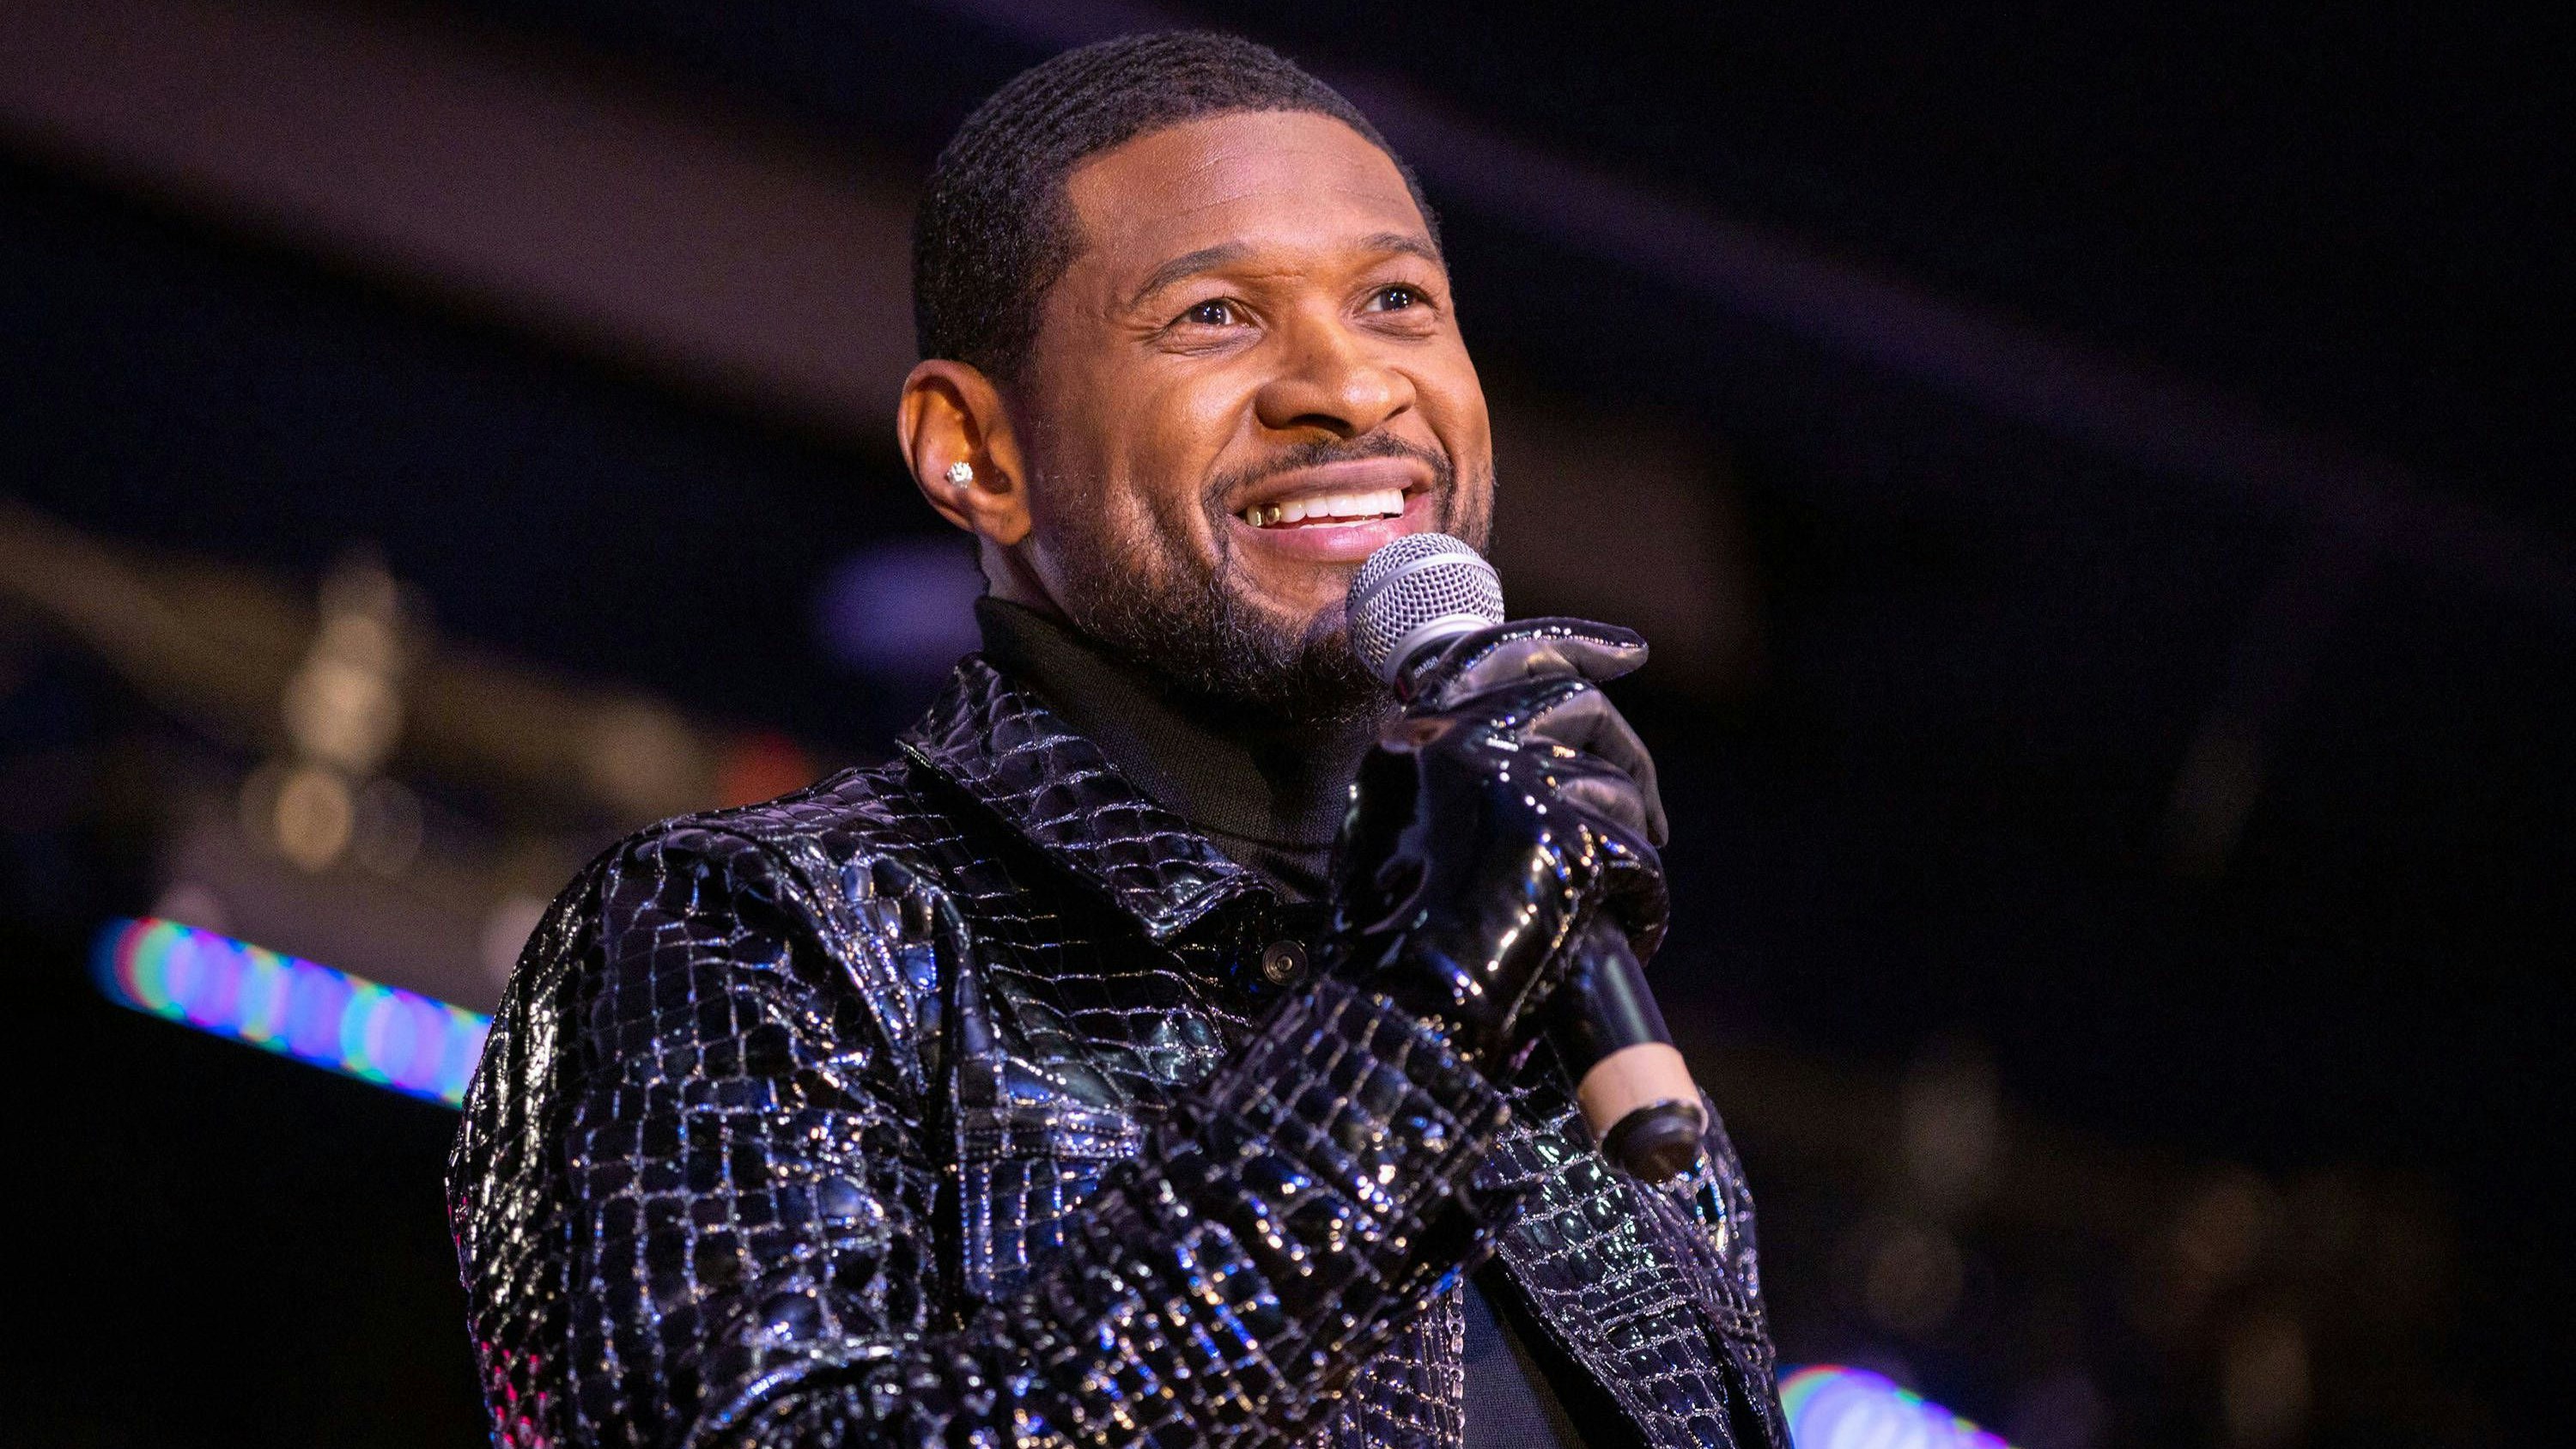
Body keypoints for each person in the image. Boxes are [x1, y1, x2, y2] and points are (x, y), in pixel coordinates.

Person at [449, 32, 1786, 1449]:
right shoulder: (751, 932)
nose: (1349, 386)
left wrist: (1454, 1001)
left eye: (1397, 300)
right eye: (1215, 315)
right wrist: (1413, 1026)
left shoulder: (1574, 1063)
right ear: (975, 449)